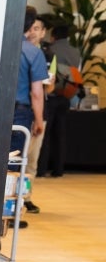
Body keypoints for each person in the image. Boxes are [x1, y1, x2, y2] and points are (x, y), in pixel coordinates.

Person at [11, 7, 49, 222]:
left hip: (0, 113)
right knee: (17, 164)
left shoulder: (2, 45)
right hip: (21, 113)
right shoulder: (33, 52)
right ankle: (12, 212)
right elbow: (37, 93)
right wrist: (38, 119)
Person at [40, 23, 82, 177]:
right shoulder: (76, 52)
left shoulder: (50, 51)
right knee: (60, 134)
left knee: (45, 134)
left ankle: (41, 169)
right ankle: (59, 169)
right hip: (66, 95)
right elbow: (78, 73)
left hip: (50, 95)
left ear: (53, 36)